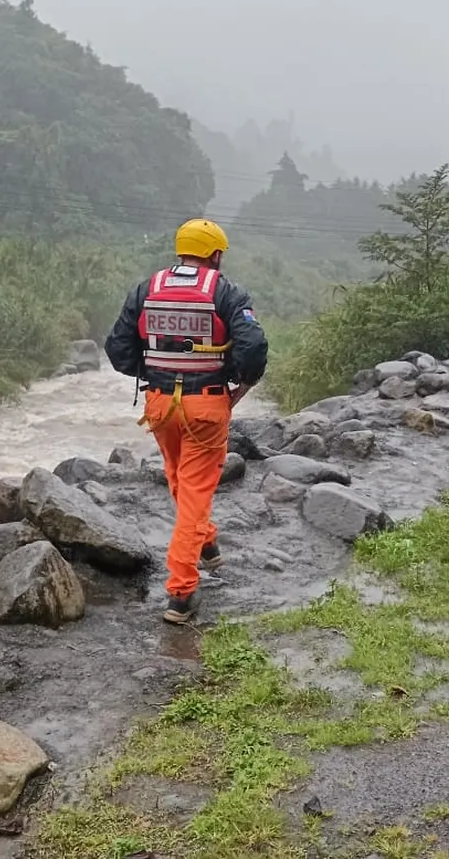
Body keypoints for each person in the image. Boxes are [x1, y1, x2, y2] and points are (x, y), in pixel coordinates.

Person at [104, 218, 269, 624]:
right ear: (215, 254)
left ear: (181, 250)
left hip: (160, 405)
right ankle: (181, 592)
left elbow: (118, 349)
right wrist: (240, 389)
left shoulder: (147, 289)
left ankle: (207, 543)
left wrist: (154, 372)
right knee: (194, 490)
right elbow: (253, 348)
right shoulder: (226, 291)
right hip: (207, 405)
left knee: (179, 476)